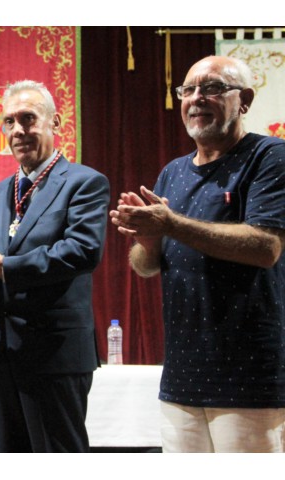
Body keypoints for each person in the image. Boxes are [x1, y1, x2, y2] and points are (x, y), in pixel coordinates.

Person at [110, 56, 285, 452]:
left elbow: (266, 247)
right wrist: (148, 240)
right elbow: (146, 267)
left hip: (251, 379)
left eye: (213, 88)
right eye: (187, 90)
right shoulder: (172, 172)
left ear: (245, 100)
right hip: (182, 379)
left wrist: (170, 224)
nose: (196, 98)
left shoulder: (270, 157)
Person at [0, 80, 110, 452]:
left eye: (28, 119)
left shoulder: (84, 183)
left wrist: (6, 267)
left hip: (56, 354)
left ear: (55, 122)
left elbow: (82, 251)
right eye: (9, 121)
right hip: (3, 353)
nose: (18, 130)